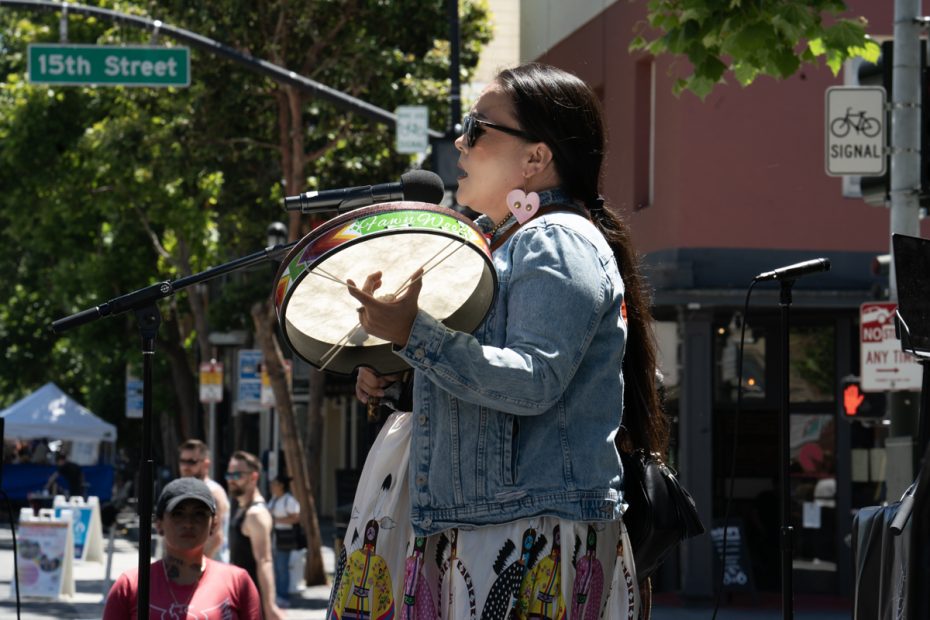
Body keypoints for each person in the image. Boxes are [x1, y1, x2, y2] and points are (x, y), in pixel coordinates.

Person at [342, 62, 668, 619]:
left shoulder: (555, 241)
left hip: (527, 532)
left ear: (535, 159)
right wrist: (405, 375)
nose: (460, 143)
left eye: (477, 127)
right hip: (496, 527)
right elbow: (494, 390)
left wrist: (415, 336)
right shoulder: (510, 244)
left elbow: (533, 380)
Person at [102, 477, 260, 619]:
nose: (188, 523)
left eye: (199, 514)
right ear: (159, 523)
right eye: (178, 513)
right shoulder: (130, 585)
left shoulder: (238, 582)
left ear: (214, 524)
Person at [226, 450, 286, 620]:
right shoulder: (241, 507)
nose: (231, 479)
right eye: (229, 473)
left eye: (237, 474)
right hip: (239, 597)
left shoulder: (256, 513)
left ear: (254, 477)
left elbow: (264, 561)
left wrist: (269, 606)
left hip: (253, 603)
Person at [178, 438, 230, 562]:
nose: (185, 466)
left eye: (192, 462)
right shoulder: (186, 490)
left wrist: (194, 569)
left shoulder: (211, 492)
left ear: (206, 464)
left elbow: (215, 538)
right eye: (182, 461)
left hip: (210, 571)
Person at [268, 474, 301, 608]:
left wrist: (276, 521)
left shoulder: (289, 500)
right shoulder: (275, 499)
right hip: (274, 537)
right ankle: (277, 595)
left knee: (282, 567)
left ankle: (283, 596)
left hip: (284, 538)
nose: (272, 486)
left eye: (274, 484)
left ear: (281, 485)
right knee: (275, 567)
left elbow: (296, 518)